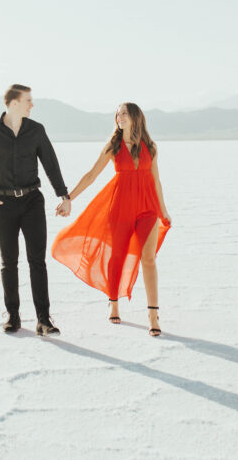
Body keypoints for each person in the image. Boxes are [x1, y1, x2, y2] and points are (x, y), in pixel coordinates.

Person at [51, 102, 171, 336]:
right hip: (121, 207)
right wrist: (69, 198)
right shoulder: (114, 146)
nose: (120, 117)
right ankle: (113, 302)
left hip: (148, 208)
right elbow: (91, 175)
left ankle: (153, 314)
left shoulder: (151, 147)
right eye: (117, 115)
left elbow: (156, 181)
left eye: (124, 113)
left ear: (136, 117)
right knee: (117, 256)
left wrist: (163, 211)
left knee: (148, 259)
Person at [0, 84, 72, 336]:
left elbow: (51, 164)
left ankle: (43, 319)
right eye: (28, 100)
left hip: (32, 202)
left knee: (37, 261)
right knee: (9, 262)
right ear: (14, 103)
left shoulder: (35, 130)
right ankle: (13, 316)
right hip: (3, 204)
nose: (31, 104)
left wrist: (64, 195)